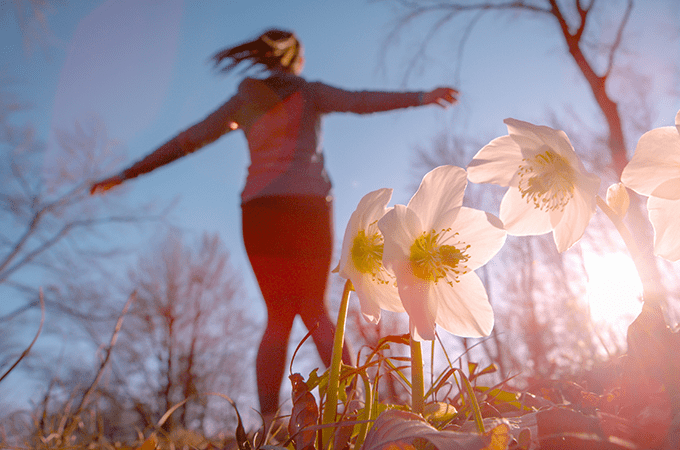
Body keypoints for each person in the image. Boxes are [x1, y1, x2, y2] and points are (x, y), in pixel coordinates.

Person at [90, 29, 459, 419]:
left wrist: (126, 174)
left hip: (260, 209)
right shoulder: (309, 90)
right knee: (315, 307)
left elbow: (186, 140)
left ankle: (268, 425)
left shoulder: (244, 100)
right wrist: (423, 96)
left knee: (279, 315)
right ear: (296, 59)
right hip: (308, 204)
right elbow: (361, 101)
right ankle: (353, 409)